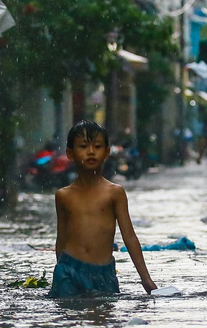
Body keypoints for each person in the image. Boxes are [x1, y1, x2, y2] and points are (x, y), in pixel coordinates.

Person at [50, 120, 157, 298]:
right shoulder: (63, 196)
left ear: (107, 152)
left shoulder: (114, 193)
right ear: (70, 153)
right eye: (83, 146)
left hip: (103, 274)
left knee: (102, 320)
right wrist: (59, 272)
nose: (91, 152)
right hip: (68, 270)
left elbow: (129, 236)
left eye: (97, 146)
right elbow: (61, 239)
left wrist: (146, 279)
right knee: (68, 319)